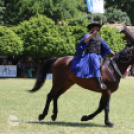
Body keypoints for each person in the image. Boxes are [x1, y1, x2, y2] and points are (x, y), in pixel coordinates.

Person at [70, 22, 115, 90]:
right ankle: (99, 84)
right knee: (97, 64)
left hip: (99, 55)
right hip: (91, 55)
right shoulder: (87, 35)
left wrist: (111, 52)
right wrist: (92, 35)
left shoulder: (100, 38)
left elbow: (105, 46)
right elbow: (84, 41)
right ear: (91, 28)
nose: (96, 28)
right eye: (95, 27)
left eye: (97, 27)